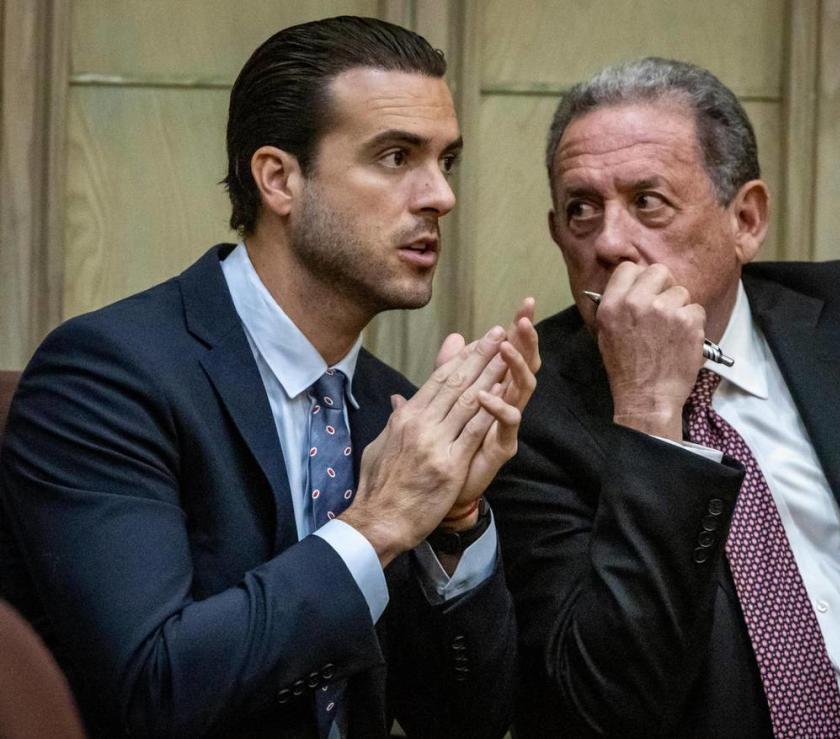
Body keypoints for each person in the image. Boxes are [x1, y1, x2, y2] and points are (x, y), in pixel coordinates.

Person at [0, 16, 539, 738]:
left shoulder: (393, 407)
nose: (439, 195)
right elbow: (155, 688)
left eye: (447, 161)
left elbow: (464, 721)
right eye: (395, 156)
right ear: (279, 178)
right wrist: (377, 525)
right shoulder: (106, 375)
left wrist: (454, 523)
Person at [488, 56, 840, 738]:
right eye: (581, 210)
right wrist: (650, 417)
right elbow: (603, 706)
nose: (610, 241)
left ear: (746, 218)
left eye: (647, 201)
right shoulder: (529, 415)